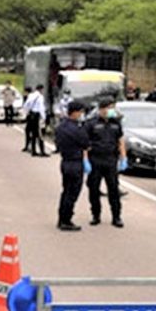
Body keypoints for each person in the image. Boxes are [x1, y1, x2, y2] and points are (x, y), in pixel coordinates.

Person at [85, 98, 128, 228]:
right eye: (109, 108)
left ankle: (116, 217)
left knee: (113, 189)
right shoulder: (91, 123)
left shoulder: (116, 124)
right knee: (94, 189)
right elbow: (85, 143)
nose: (111, 110)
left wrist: (123, 158)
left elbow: (120, 141)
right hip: (95, 160)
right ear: (101, 109)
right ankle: (96, 215)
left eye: (112, 108)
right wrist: (85, 160)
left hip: (111, 160)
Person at [55, 101, 90, 231]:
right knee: (72, 193)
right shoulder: (77, 129)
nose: (81, 114)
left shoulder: (60, 127)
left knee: (66, 191)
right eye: (80, 112)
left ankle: (61, 218)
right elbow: (86, 143)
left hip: (65, 161)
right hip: (75, 162)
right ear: (75, 112)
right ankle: (66, 220)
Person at [23, 84, 47, 157]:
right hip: (37, 116)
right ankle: (42, 151)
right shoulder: (40, 97)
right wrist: (44, 117)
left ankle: (33, 151)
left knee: (33, 134)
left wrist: (27, 112)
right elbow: (41, 108)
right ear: (41, 89)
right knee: (40, 134)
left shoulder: (31, 95)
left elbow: (26, 105)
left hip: (31, 115)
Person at [21, 86, 33, 152]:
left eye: (25, 91)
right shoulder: (25, 98)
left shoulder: (31, 98)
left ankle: (30, 146)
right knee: (27, 131)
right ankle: (27, 146)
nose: (24, 93)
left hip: (32, 116)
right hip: (28, 116)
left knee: (30, 132)